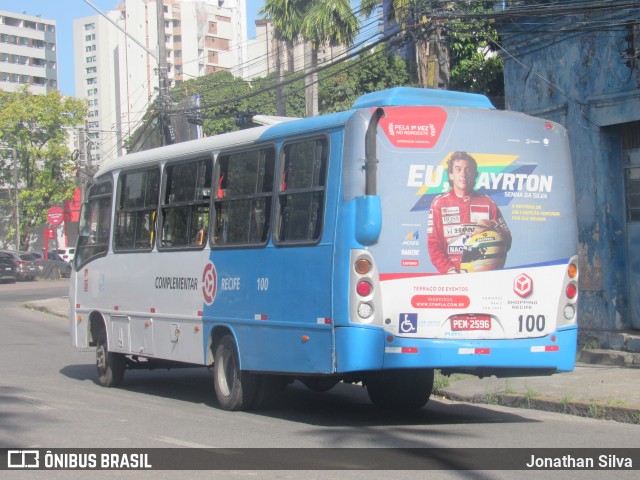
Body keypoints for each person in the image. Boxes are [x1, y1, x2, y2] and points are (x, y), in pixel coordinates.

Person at [427, 151, 511, 273]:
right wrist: (449, 271)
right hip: (452, 275)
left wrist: (493, 226)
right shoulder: (439, 204)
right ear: (451, 174)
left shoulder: (488, 204)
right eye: (458, 169)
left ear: (474, 174)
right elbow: (433, 245)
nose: (463, 174)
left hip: (483, 274)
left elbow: (507, 242)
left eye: (467, 169)